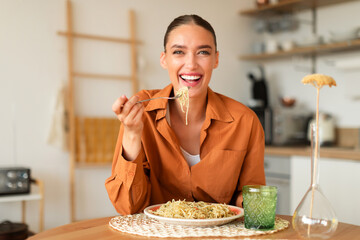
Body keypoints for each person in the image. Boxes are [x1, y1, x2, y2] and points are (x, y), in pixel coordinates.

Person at [105, 14, 265, 215]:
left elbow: (254, 204)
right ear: (164, 59)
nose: (191, 64)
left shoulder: (245, 121)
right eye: (179, 52)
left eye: (203, 52)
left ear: (215, 59)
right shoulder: (142, 114)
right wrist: (131, 134)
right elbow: (127, 208)